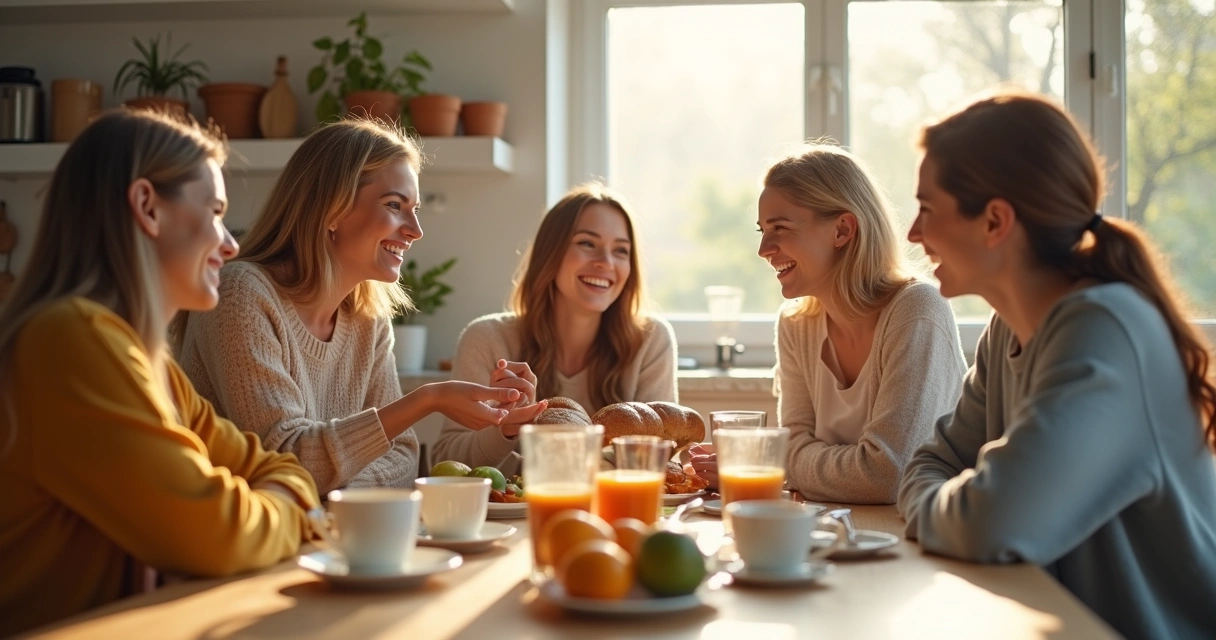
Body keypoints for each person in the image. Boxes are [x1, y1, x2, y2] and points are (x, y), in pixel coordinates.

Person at [897, 92, 1216, 638]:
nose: (913, 233)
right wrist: (955, 507)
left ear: (995, 221)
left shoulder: (1104, 330)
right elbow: (933, 460)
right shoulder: (1008, 328)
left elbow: (992, 524)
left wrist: (946, 510)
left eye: (927, 209)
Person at [0, 110, 320, 636]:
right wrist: (294, 510)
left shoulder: (152, 368)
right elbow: (215, 534)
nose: (230, 243)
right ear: (147, 207)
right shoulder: (70, 340)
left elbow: (277, 467)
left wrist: (278, 496)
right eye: (214, 212)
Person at [174, 119, 541, 494]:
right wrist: (427, 399)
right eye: (395, 205)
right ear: (332, 210)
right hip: (239, 542)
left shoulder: (369, 320)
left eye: (414, 209)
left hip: (324, 538)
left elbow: (402, 457)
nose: (415, 230)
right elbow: (284, 459)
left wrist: (341, 499)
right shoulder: (242, 295)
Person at [689, 144, 966, 504]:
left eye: (780, 227)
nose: (764, 248)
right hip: (832, 533)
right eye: (762, 230)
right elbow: (796, 443)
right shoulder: (796, 325)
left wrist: (771, 462)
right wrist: (787, 460)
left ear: (842, 230)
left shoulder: (917, 310)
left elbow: (889, 475)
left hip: (922, 540)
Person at [432, 183, 678, 470]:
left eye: (621, 251)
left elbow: (660, 460)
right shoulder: (487, 340)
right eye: (587, 243)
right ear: (551, 253)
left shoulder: (651, 340)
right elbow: (447, 461)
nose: (606, 262)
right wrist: (505, 429)